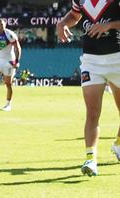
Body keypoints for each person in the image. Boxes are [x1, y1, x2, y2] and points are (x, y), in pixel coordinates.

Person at [57, 0, 120, 176]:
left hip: (118, 59)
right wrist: (62, 23)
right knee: (92, 112)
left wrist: (110, 25)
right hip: (91, 61)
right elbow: (74, 15)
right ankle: (91, 159)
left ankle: (118, 144)